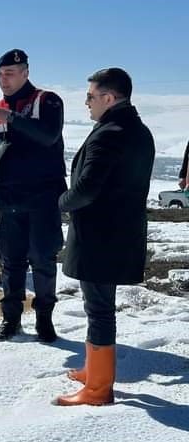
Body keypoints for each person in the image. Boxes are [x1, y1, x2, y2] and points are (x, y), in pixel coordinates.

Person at [55, 68, 154, 406]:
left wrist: (60, 202)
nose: (87, 103)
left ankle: (97, 388)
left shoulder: (109, 132)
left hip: (99, 237)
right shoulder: (138, 130)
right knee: (97, 306)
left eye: (90, 97)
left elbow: (85, 190)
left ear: (109, 98)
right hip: (119, 234)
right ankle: (93, 370)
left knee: (98, 309)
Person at [0, 50, 66, 342]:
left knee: (43, 259)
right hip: (9, 197)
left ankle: (44, 320)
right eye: (0, 75)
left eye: (10, 73)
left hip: (43, 195)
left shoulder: (47, 100)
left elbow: (48, 136)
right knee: (12, 261)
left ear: (25, 72)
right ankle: (10, 320)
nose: (3, 80)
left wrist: (14, 118)